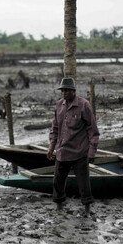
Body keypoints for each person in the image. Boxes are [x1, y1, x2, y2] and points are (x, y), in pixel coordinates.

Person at [47, 77, 100, 216]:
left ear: (73, 91)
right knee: (57, 181)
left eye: (67, 90)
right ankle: (59, 205)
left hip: (79, 151)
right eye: (63, 90)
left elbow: (92, 130)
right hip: (62, 150)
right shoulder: (59, 105)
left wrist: (92, 151)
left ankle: (87, 208)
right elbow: (55, 128)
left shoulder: (84, 105)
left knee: (84, 183)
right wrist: (51, 147)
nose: (64, 93)